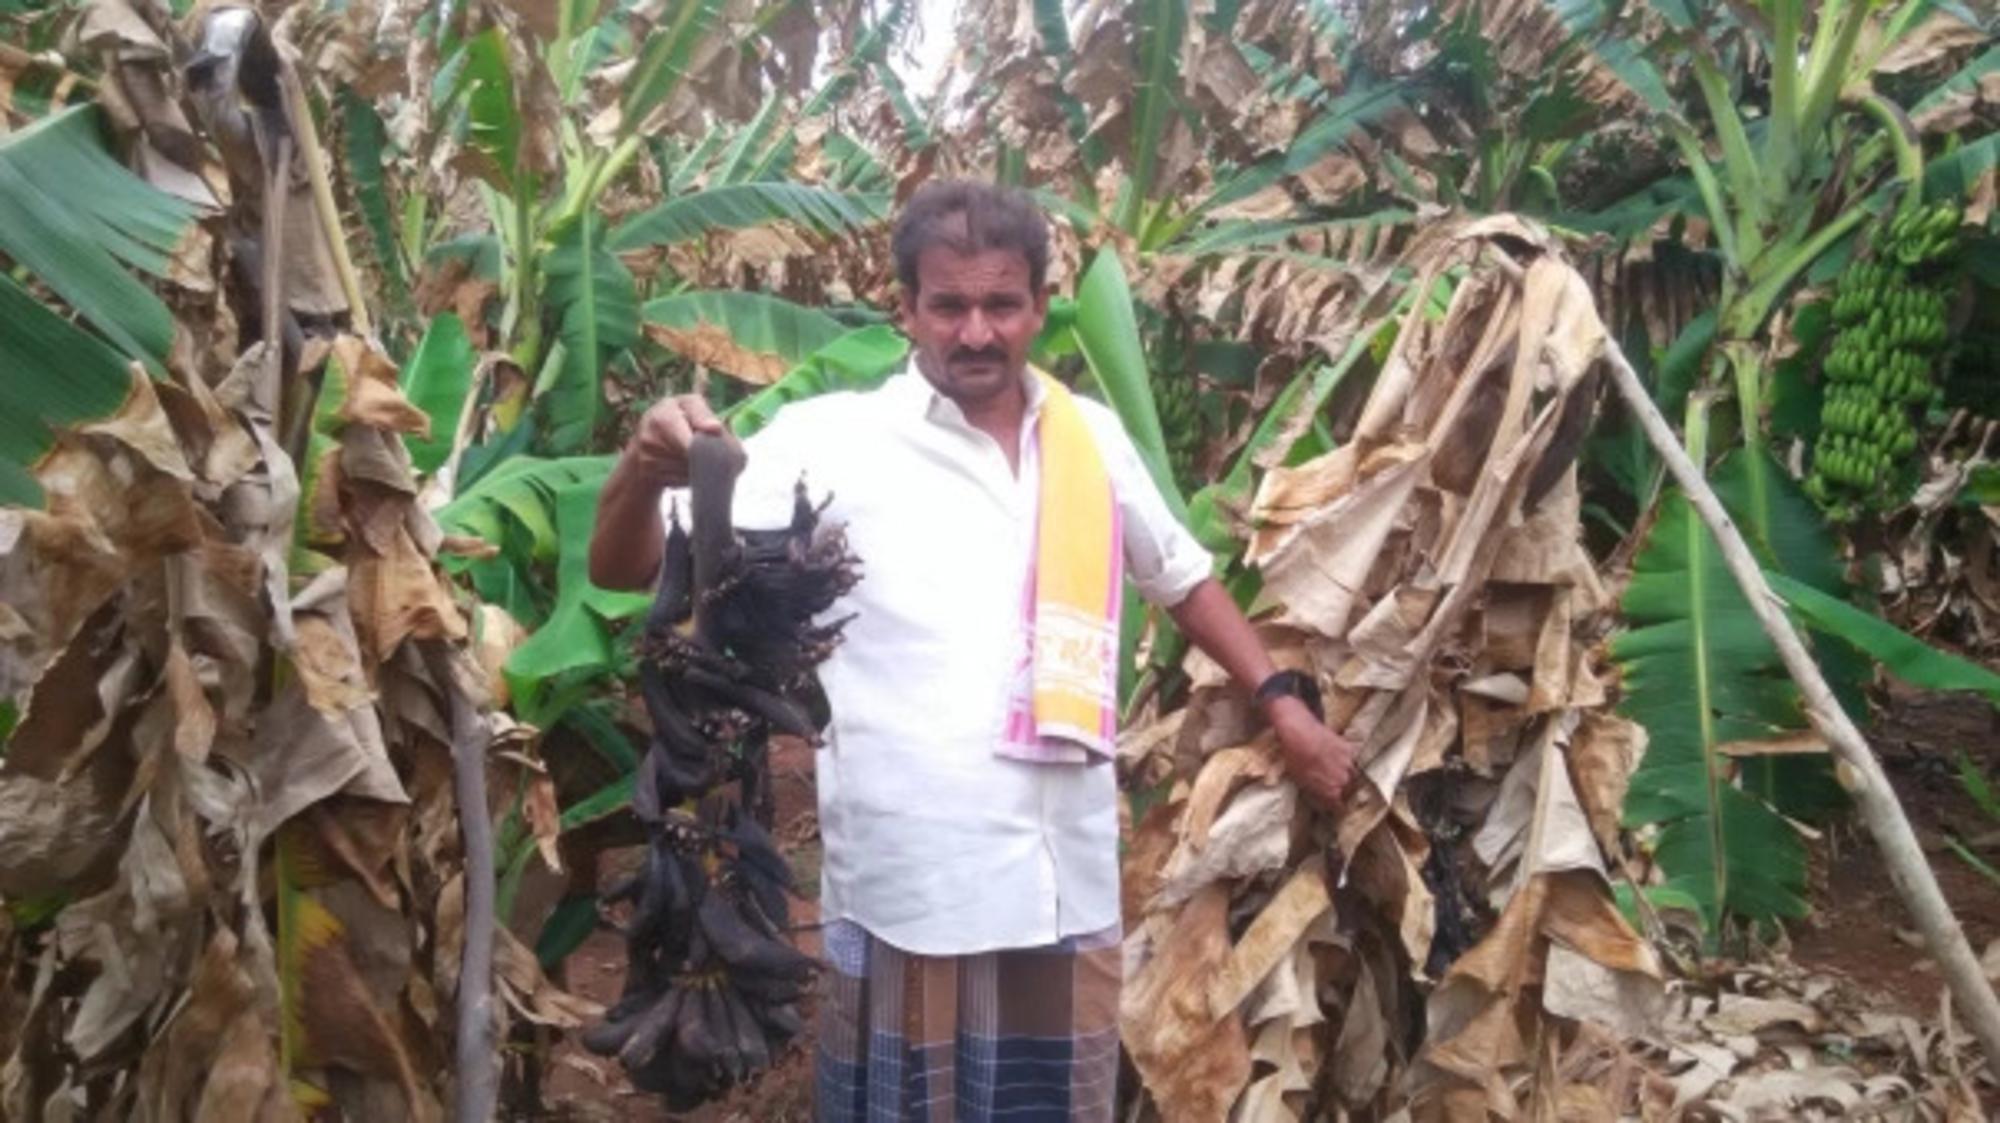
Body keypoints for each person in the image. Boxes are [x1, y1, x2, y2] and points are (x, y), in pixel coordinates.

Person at [588, 181, 1356, 1122]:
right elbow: (628, 567)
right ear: (905, 308)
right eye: (948, 305)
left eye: (1001, 304)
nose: (977, 332)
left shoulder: (1089, 439)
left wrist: (1281, 699)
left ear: (1039, 305)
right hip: (916, 878)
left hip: (1063, 874)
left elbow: (1185, 582)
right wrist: (640, 464)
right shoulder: (836, 442)